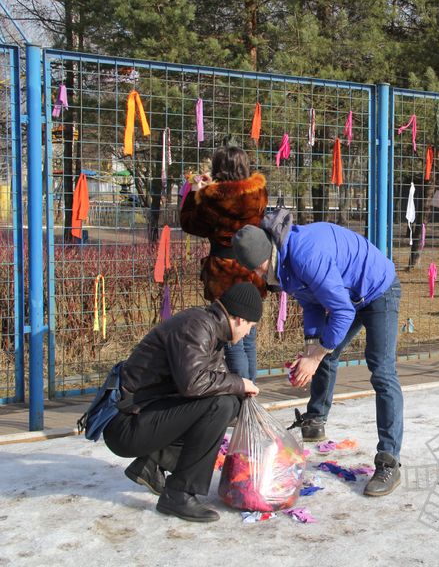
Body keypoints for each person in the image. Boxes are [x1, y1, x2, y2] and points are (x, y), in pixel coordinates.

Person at [231, 210, 404, 497]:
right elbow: (311, 301)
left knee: (382, 371)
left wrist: (316, 355)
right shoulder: (283, 260)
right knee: (324, 351)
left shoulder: (305, 256)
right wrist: (312, 344)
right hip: (348, 296)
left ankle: (389, 461)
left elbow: (341, 311)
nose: (259, 278)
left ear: (265, 259)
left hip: (378, 289)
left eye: (258, 272)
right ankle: (315, 419)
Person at [102, 282, 263, 523]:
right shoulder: (196, 326)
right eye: (251, 326)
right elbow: (193, 384)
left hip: (144, 416)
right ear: (240, 319)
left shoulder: (211, 331)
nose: (248, 332)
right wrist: (240, 383)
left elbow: (214, 384)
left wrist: (244, 399)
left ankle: (152, 461)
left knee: (230, 403)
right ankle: (178, 493)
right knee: (221, 405)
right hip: (126, 424)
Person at [180, 146, 268, 382]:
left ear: (220, 168)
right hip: (253, 267)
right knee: (248, 334)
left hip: (224, 271)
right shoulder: (258, 192)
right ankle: (251, 392)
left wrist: (195, 193)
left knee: (231, 337)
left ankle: (242, 394)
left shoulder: (213, 199)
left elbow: (189, 224)